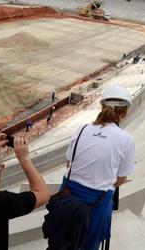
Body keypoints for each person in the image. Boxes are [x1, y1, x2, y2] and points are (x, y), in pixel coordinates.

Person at [59, 84, 135, 250]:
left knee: (62, 238)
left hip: (68, 195)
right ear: (124, 112)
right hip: (97, 201)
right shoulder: (126, 139)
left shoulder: (81, 129)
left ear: (102, 107)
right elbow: (121, 179)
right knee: (89, 244)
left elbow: (69, 164)